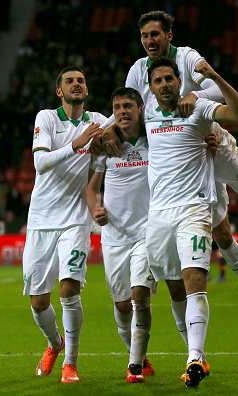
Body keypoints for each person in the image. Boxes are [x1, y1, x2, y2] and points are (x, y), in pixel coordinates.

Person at [93, 10, 238, 329]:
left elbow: (220, 93)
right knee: (222, 235)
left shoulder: (189, 58)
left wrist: (196, 94)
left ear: (169, 36)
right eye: (144, 36)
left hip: (213, 140)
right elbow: (133, 109)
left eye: (155, 34)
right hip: (187, 153)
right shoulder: (139, 70)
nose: (150, 40)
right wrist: (112, 127)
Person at [143, 57, 238, 388]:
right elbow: (121, 128)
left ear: (178, 81)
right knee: (174, 288)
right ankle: (194, 352)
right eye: (158, 81)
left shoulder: (197, 109)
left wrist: (214, 76)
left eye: (170, 78)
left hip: (194, 209)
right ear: (151, 87)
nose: (165, 84)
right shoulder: (146, 114)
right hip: (158, 215)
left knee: (194, 279)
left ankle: (195, 356)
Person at [22, 66, 106, 383]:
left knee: (69, 288)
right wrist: (76, 144)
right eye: (69, 81)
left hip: (76, 218)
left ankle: (70, 362)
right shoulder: (47, 118)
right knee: (38, 300)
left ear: (86, 89)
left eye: (81, 80)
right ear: (60, 91)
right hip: (42, 220)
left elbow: (132, 125)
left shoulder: (98, 120)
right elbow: (39, 162)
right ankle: (54, 343)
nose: (76, 84)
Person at [86, 87, 156, 384]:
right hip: (114, 235)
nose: (122, 111)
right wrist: (95, 209)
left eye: (128, 106)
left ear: (140, 108)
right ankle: (135, 353)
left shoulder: (156, 141)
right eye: (116, 108)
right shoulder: (106, 146)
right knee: (122, 305)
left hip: (147, 232)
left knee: (139, 294)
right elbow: (91, 189)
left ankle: (134, 366)